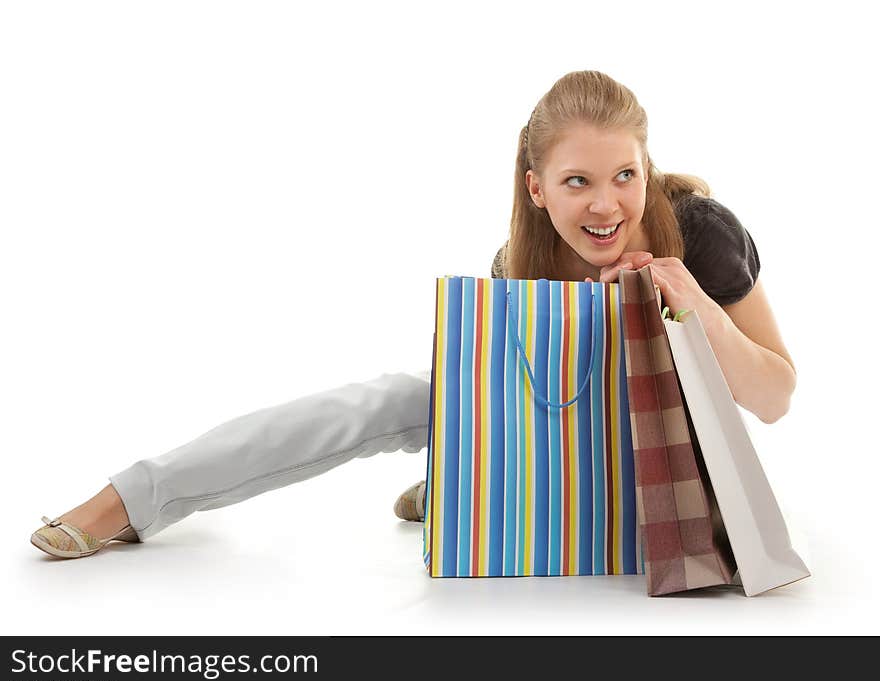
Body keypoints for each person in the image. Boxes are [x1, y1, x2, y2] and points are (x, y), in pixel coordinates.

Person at [30, 70, 796, 559]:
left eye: (626, 175)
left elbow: (774, 397)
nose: (606, 204)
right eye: (577, 181)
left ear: (647, 169)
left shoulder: (697, 231)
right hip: (561, 439)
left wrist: (689, 302)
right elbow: (522, 399)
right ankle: (134, 497)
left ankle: (452, 485)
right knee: (397, 399)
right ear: (537, 189)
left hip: (658, 454)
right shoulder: (515, 263)